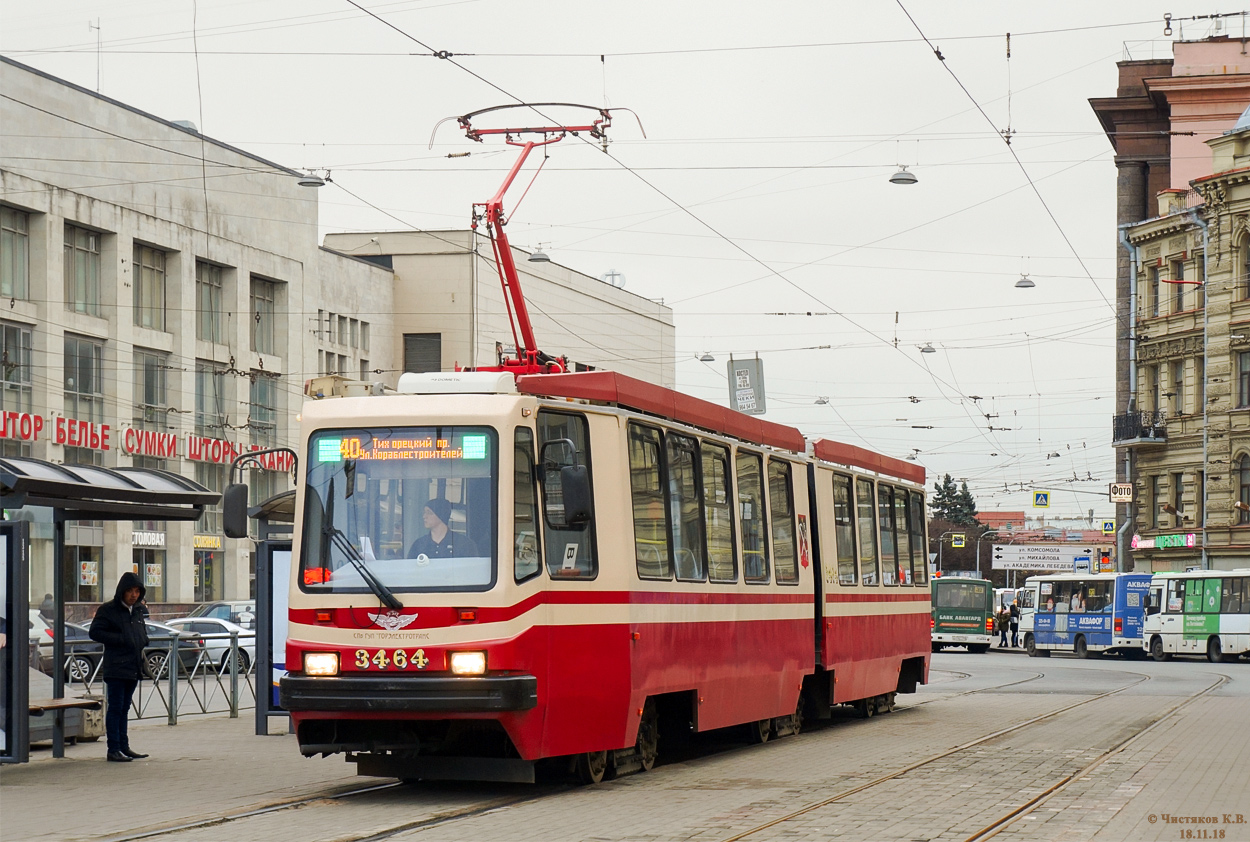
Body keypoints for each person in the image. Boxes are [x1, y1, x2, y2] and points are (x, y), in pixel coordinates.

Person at [89, 572, 150, 762]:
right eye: (130, 591)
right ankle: (113, 748)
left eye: (137, 591)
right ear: (122, 591)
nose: (134, 595)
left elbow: (140, 631)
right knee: (115, 708)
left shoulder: (137, 610)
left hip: (133, 665)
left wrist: (143, 640)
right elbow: (95, 632)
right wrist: (122, 639)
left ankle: (124, 746)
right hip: (116, 666)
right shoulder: (108, 610)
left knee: (124, 708)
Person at [407, 498, 480, 559]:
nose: (424, 516)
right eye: (424, 512)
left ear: (440, 515)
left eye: (429, 512)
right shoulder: (419, 545)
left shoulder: (464, 544)